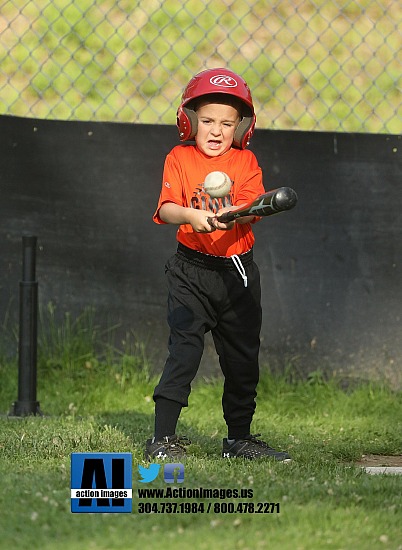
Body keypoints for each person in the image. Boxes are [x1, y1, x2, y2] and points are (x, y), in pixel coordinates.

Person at [145, 68, 291, 462]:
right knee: (184, 353)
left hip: (237, 275)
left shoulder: (245, 162)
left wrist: (235, 213)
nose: (215, 130)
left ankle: (239, 439)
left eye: (227, 123)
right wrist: (193, 215)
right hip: (190, 273)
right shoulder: (179, 157)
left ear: (241, 128)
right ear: (188, 121)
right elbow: (167, 207)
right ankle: (162, 439)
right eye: (207, 120)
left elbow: (251, 208)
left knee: (243, 359)